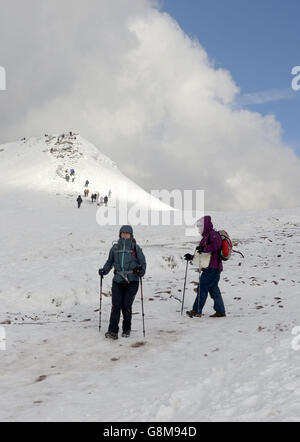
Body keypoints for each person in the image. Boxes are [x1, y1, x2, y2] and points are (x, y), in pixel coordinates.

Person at [99, 225, 147, 340]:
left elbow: (143, 262)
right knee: (116, 305)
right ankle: (112, 331)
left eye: (127, 233)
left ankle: (126, 328)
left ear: (131, 235)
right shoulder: (115, 248)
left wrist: (142, 271)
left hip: (132, 281)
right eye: (123, 233)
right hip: (118, 280)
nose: (125, 235)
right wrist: (104, 270)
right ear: (120, 234)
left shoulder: (135, 248)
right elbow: (110, 262)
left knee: (126, 305)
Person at [184, 216, 226, 318]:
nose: (198, 228)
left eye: (199, 226)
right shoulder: (206, 237)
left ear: (205, 226)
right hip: (212, 268)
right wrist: (192, 257)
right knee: (213, 289)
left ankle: (196, 310)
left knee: (202, 287)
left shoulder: (213, 235)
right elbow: (203, 254)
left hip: (212, 268)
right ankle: (220, 311)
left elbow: (217, 245)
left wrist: (204, 248)